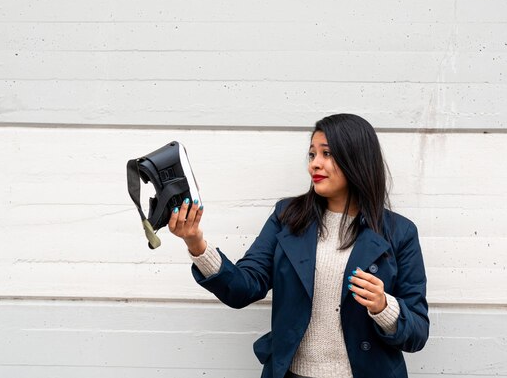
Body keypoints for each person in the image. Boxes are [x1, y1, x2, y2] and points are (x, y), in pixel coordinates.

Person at [168, 114, 429, 378]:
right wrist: (196, 243)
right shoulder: (287, 217)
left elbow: (417, 333)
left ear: (356, 158)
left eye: (326, 154)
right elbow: (243, 287)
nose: (314, 165)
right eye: (312, 155)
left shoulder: (400, 233)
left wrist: (384, 306)